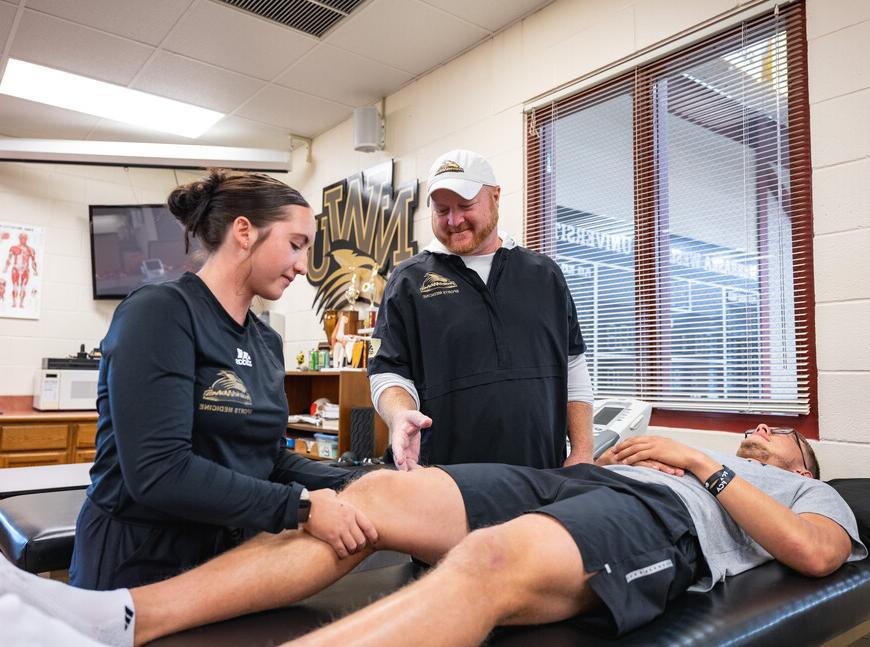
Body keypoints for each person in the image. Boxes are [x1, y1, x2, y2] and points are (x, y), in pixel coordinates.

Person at [0, 424, 864, 647]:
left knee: (491, 557)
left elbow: (816, 554)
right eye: (750, 433)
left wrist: (700, 465)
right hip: (581, 477)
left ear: (802, 457)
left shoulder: (808, 487)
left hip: (663, 522)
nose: (758, 430)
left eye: (776, 432)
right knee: (373, 494)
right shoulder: (696, 453)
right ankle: (116, 618)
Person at [68, 169, 377, 591]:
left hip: (228, 556)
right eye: (295, 245)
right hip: (140, 559)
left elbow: (266, 460)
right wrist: (301, 507)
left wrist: (365, 480)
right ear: (245, 232)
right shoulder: (160, 313)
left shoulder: (266, 340)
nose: (303, 267)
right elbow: (159, 472)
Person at [369, 149, 594, 470]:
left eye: (465, 206)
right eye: (442, 209)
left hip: (542, 474)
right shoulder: (409, 281)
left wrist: (583, 451)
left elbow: (573, 364)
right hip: (447, 482)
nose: (454, 220)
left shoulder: (544, 275)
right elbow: (387, 370)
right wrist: (399, 414)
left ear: (496, 197)